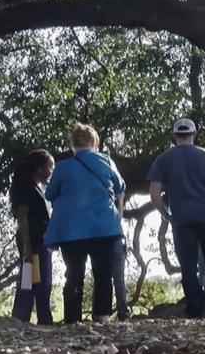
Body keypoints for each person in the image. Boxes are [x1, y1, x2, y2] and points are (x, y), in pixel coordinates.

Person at [147, 118, 205, 318]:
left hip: (182, 219)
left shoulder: (163, 159)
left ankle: (195, 309)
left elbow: (154, 194)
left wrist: (166, 215)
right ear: (194, 134)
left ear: (174, 136)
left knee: (188, 266)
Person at [43, 122, 126, 323]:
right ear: (94, 141)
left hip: (71, 230)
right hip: (104, 227)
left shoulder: (62, 167)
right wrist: (119, 213)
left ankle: (72, 318)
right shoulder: (107, 161)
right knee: (103, 273)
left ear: (73, 144)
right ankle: (102, 315)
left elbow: (49, 193)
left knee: (74, 274)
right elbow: (120, 186)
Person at [11, 149, 55, 324]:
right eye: (50, 166)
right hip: (34, 240)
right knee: (39, 280)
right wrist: (28, 245)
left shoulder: (39, 188)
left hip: (39, 239)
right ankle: (42, 319)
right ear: (39, 168)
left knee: (30, 279)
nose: (51, 170)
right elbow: (22, 215)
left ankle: (22, 317)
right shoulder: (28, 188)